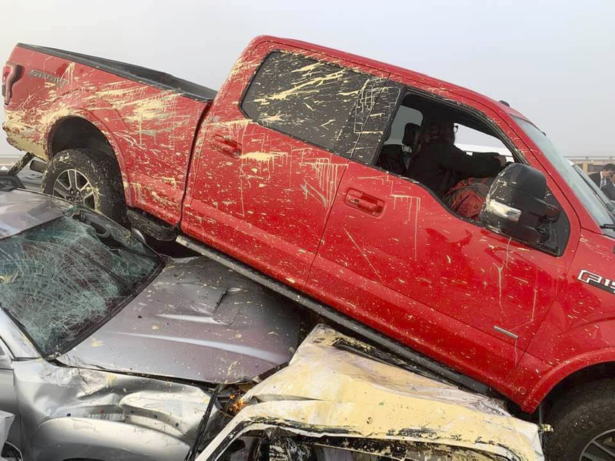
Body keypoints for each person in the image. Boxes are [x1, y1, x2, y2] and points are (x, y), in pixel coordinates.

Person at [407, 121, 506, 219]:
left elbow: (464, 161)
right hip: (430, 208)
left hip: (422, 202)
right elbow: (474, 166)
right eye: (453, 128)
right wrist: (498, 162)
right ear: (447, 130)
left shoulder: (428, 148)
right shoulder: (441, 148)